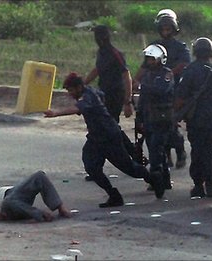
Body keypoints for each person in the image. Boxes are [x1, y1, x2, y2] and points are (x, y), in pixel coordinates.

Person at [44, 73, 164, 208]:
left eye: (71, 90)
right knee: (91, 166)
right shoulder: (91, 92)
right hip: (96, 138)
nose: (70, 94)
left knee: (129, 168)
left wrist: (55, 113)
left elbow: (77, 108)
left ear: (78, 87)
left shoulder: (88, 96)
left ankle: (154, 178)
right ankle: (113, 195)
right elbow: (101, 96)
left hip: (109, 136)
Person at [134, 9, 190, 170]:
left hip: (173, 91)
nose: (166, 32)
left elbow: (185, 63)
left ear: (174, 29)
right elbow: (145, 66)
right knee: (156, 124)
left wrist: (168, 74)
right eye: (163, 29)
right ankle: (165, 158)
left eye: (168, 29)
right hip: (154, 91)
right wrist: (135, 81)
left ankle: (180, 152)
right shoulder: (154, 46)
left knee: (171, 125)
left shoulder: (180, 47)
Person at [175, 37, 212, 198]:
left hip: (197, 120)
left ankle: (198, 185)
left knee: (197, 151)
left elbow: (181, 97)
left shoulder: (190, 70)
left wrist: (177, 112)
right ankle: (211, 184)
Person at [84, 25, 138, 174]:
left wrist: (128, 101)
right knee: (109, 128)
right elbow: (97, 70)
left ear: (103, 37)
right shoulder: (101, 53)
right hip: (103, 95)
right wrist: (83, 84)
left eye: (97, 36)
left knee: (108, 129)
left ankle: (132, 157)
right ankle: (134, 155)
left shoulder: (115, 53)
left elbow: (126, 75)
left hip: (115, 96)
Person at [137, 44, 175, 192]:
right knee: (154, 149)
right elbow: (143, 99)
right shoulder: (147, 75)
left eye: (152, 59)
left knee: (156, 150)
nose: (149, 62)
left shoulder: (167, 74)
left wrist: (143, 87)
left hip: (162, 118)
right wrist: (139, 117)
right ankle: (165, 180)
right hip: (149, 117)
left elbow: (161, 90)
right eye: (148, 59)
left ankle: (156, 180)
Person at [0, 170, 71, 222]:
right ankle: (41, 215)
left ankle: (60, 207)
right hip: (10, 205)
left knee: (39, 176)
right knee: (8, 201)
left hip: (16, 194)